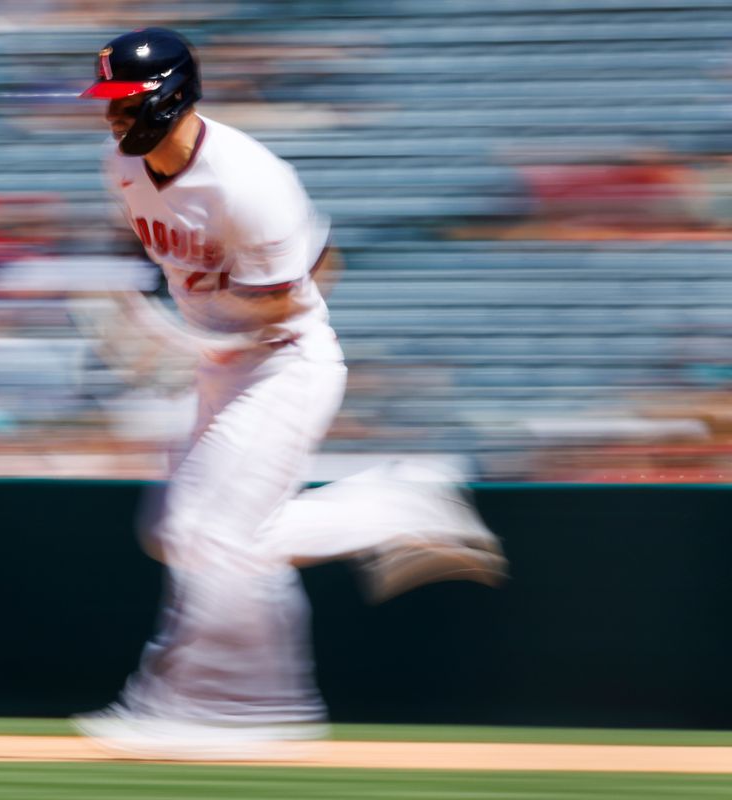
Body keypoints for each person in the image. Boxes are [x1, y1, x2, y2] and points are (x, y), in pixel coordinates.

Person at [73, 27, 507, 759]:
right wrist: (140, 313)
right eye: (108, 101)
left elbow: (295, 292)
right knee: (180, 534)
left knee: (212, 538)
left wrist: (194, 341)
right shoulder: (121, 164)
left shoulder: (248, 179)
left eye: (124, 100)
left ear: (170, 96)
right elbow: (149, 242)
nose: (112, 115)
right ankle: (396, 505)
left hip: (285, 363)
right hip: (223, 363)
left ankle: (239, 708)